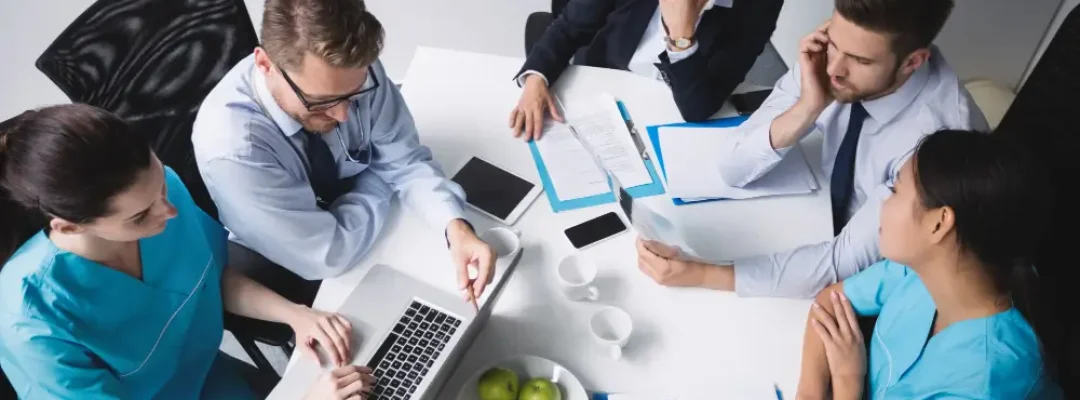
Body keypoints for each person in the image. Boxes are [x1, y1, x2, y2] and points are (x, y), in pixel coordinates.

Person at [0, 104, 372, 399]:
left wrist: (295, 315)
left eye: (160, 184)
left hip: (206, 374)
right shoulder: (33, 318)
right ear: (70, 226)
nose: (169, 211)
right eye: (140, 216)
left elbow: (208, 274)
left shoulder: (162, 194)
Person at [636, 0, 990, 298]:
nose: (834, 69)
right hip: (812, 217)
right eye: (834, 43)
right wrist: (807, 107)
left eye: (861, 61)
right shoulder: (830, 56)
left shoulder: (939, 140)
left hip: (888, 282)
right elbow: (733, 168)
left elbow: (842, 263)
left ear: (913, 62)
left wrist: (703, 274)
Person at [192, 0, 495, 303]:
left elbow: (405, 160)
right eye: (320, 102)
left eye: (354, 95)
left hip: (364, 223)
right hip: (290, 261)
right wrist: (380, 175)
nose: (343, 115)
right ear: (264, 65)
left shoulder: (352, 69)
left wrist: (454, 225)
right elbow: (329, 255)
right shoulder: (233, 153)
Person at [795, 130, 1061, 399]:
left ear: (938, 223)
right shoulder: (921, 268)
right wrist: (808, 394)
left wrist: (847, 380)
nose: (883, 204)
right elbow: (829, 302)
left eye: (895, 190)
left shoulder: (988, 381)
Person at [509, 0, 785, 139]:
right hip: (605, 82)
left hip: (674, 107)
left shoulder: (758, 6)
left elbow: (697, 108)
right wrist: (535, 78)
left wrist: (681, 36)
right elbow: (570, 26)